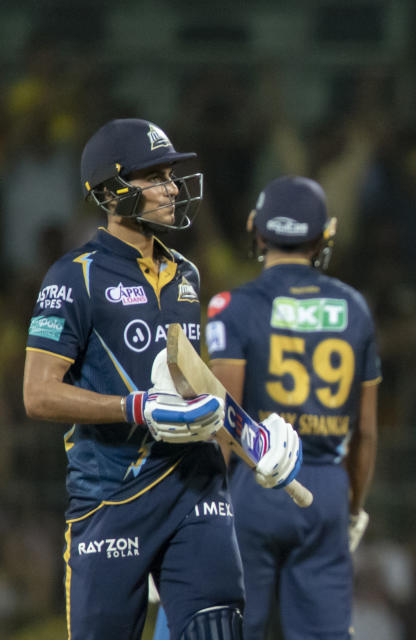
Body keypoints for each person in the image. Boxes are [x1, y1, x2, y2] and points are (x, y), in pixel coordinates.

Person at [22, 118, 302, 640]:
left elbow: (192, 384)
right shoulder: (73, 276)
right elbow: (37, 394)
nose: (172, 188)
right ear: (111, 190)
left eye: (171, 175)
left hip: (195, 486)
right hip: (112, 496)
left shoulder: (186, 275)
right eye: (155, 176)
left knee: (218, 628)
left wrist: (251, 438)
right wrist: (137, 408)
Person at [204, 175, 381, 639]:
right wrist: (353, 507)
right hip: (325, 486)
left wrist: (199, 509)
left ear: (256, 231)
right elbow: (366, 432)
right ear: (325, 235)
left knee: (231, 629)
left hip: (252, 480)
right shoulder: (355, 307)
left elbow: (223, 422)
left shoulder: (233, 307)